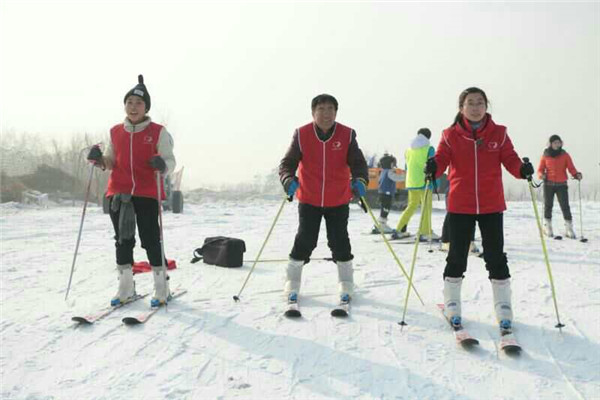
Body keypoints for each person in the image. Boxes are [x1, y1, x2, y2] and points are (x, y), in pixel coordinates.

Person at [424, 87, 534, 332]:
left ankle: (503, 307)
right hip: (461, 204)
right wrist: (434, 166)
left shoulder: (500, 133)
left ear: (486, 106)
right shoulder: (450, 134)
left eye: (480, 102)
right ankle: (452, 304)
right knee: (457, 256)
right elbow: (442, 158)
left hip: (491, 204)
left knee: (495, 256)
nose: (475, 107)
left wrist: (522, 169)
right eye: (470, 103)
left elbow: (511, 159)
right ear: (461, 108)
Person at [87, 75, 176, 307]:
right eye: (129, 103)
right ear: (124, 106)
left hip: (146, 192)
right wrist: (98, 160)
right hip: (120, 193)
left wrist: (162, 165)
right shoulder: (116, 131)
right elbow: (110, 161)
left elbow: (170, 161)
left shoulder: (158, 132)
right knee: (123, 240)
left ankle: (162, 287)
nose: (133, 107)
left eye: (138, 103)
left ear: (146, 107)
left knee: (150, 240)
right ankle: (126, 288)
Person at [279, 94, 369, 304]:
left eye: (330, 109)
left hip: (337, 199)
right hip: (309, 198)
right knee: (305, 240)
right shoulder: (302, 134)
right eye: (321, 109)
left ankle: (346, 284)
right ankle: (292, 282)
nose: (326, 113)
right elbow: (287, 163)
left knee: (339, 242)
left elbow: (358, 163)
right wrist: (287, 178)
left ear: (336, 112)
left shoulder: (347, 134)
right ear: (313, 113)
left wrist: (361, 180)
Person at [392, 128, 439, 241]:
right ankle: (425, 232)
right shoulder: (429, 148)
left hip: (411, 181)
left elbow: (406, 167)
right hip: (424, 181)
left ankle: (398, 229)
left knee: (411, 206)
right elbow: (432, 165)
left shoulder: (408, 150)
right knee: (426, 207)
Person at [537, 134, 582, 238]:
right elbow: (540, 169)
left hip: (561, 184)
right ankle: (548, 227)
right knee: (548, 206)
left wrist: (576, 174)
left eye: (559, 142)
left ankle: (569, 229)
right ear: (551, 144)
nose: (557, 144)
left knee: (565, 206)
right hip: (548, 184)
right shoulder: (545, 155)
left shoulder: (565, 155)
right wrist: (541, 175)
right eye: (555, 143)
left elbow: (571, 167)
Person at [371, 152, 403, 234]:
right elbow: (396, 178)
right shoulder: (389, 172)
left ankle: (382, 223)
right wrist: (405, 177)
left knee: (384, 208)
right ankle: (382, 224)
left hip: (383, 193)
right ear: (389, 164)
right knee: (386, 208)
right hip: (386, 193)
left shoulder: (383, 171)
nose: (394, 165)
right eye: (393, 163)